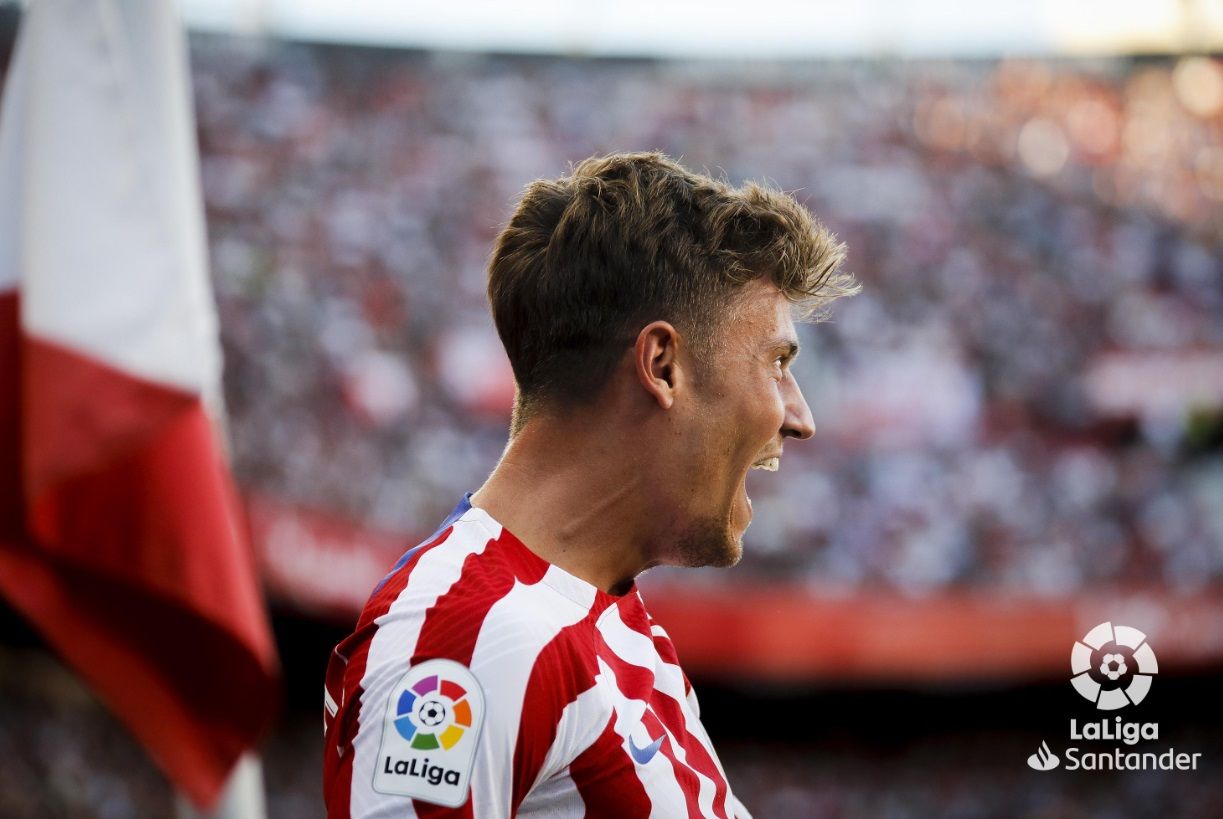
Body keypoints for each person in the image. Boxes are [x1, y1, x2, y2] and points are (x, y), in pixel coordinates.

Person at [322, 151, 856, 818]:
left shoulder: (603, 624)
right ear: (662, 365)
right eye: (776, 361)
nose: (800, 416)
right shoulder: (470, 635)